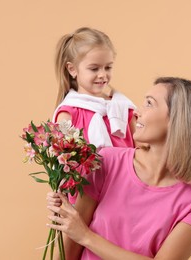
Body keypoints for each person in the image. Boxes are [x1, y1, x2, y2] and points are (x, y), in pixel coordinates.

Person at [46, 77, 191, 259]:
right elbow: (68, 250)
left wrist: (85, 236)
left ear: (177, 118)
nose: (137, 112)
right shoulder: (106, 161)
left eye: (149, 104)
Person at [52, 27, 137, 204]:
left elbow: (143, 150)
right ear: (72, 69)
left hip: (127, 194)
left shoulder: (123, 107)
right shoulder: (68, 114)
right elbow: (63, 165)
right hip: (86, 198)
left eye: (108, 67)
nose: (103, 75)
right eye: (94, 68)